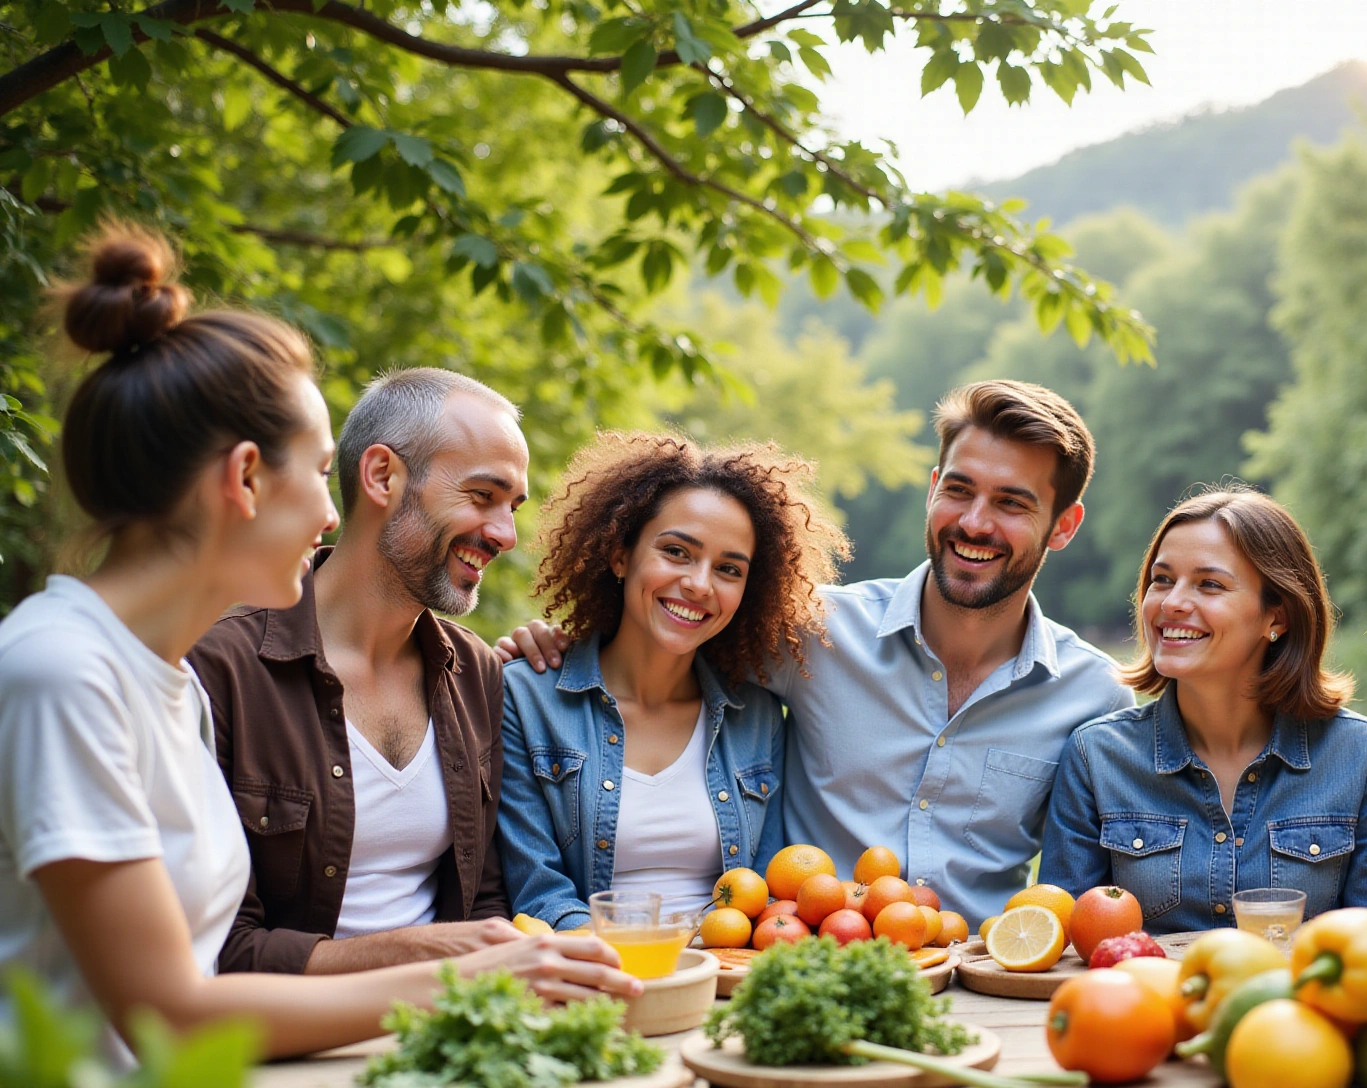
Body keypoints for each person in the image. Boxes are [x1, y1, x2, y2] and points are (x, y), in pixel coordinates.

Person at [0, 226, 635, 1065]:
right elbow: (173, 1011)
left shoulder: (160, 681)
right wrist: (477, 975)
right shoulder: (61, 672)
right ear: (247, 479)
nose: (331, 516)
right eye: (316, 474)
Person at [500, 381, 1132, 925]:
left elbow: (1082, 882)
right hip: (805, 963)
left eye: (1012, 503)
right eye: (960, 490)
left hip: (980, 982)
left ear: (1065, 525)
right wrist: (554, 641)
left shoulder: (1093, 695)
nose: (974, 522)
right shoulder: (808, 632)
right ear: (934, 488)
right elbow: (668, 625)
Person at [185, 368, 530, 974]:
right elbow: (217, 947)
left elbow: (485, 900)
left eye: (512, 506)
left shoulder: (476, 669)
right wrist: (417, 956)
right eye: (483, 496)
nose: (505, 533)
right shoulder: (219, 673)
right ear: (382, 476)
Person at [497, 434, 844, 930]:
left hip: (727, 976)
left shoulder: (759, 716)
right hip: (593, 976)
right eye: (677, 552)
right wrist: (651, 965)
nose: (700, 584)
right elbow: (540, 895)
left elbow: (770, 895)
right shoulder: (525, 699)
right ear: (620, 555)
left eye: (728, 568)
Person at [1041, 486, 1367, 931]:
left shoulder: (1364, 759)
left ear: (1277, 617)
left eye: (1209, 584)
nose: (1172, 602)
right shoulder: (1095, 757)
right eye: (1162, 579)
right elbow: (1064, 945)